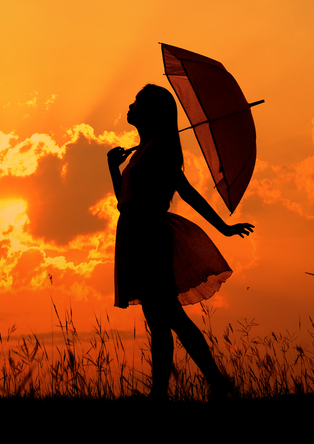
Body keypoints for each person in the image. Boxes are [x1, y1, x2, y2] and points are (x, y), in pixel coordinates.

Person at [108, 84, 254, 400]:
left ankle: (204, 384)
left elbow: (186, 192)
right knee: (161, 318)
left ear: (152, 113)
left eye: (138, 102)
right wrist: (112, 169)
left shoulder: (162, 148)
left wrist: (223, 227)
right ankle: (189, 387)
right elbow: (124, 200)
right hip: (134, 232)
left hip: (149, 234)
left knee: (167, 315)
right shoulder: (143, 149)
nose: (131, 106)